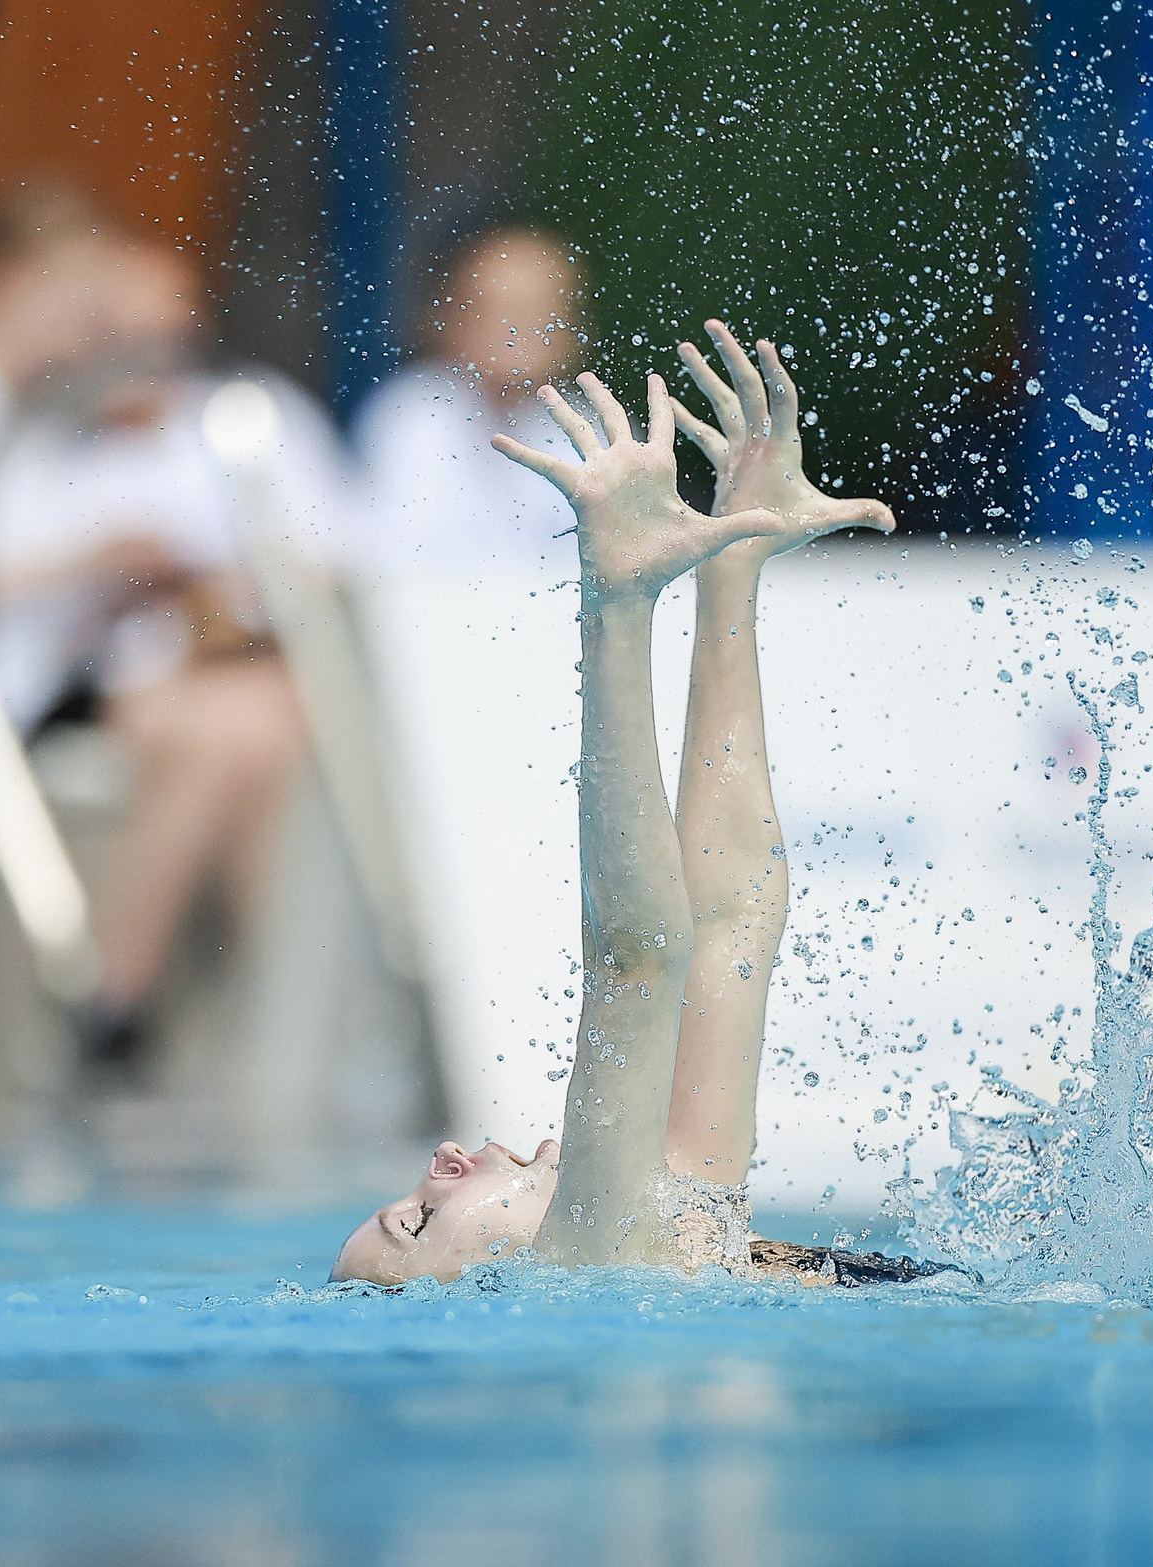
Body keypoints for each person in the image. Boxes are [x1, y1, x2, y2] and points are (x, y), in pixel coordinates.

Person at [332, 324, 928, 1286]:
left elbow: (732, 916)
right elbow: (637, 958)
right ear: (476, 1296)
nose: (435, 1166)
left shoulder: (672, 1232)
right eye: (418, 1222)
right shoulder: (585, 1264)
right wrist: (614, 604)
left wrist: (733, 563)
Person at [0, 183, 347, 1068]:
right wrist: (97, 563)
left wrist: (128, 579)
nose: (90, 337)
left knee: (261, 719)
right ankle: (165, 1011)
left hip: (41, 674)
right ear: (5, 285)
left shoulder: (23, 406)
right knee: (233, 727)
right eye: (79, 310)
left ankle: (163, 1014)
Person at [350, 226, 586, 580]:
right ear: (451, 320)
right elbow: (390, 558)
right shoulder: (412, 415)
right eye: (499, 311)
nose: (518, 331)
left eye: (539, 314)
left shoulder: (590, 425)